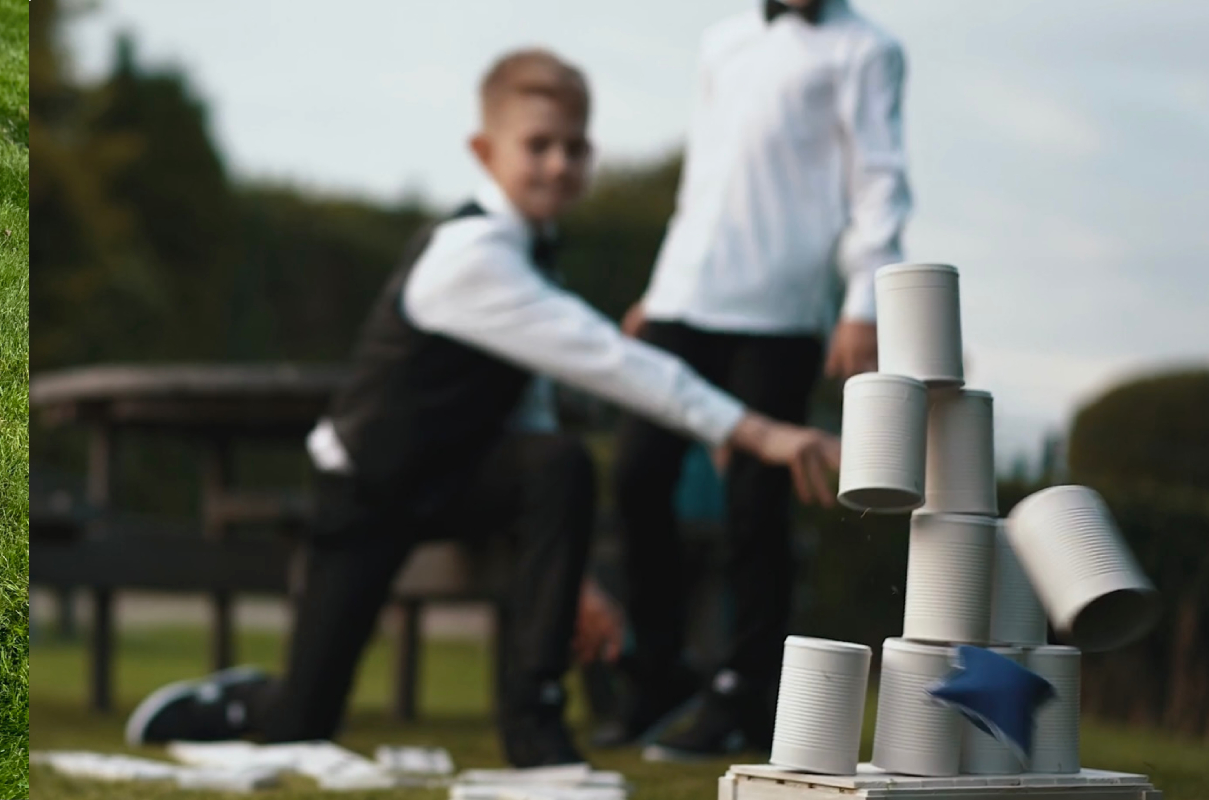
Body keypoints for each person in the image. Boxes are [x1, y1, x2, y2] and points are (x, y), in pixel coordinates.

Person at [125, 48, 844, 769]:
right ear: (484, 149)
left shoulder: (534, 253)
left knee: (559, 462)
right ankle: (243, 701)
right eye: (539, 145)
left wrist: (572, 582)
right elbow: (609, 356)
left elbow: (530, 418)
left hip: (459, 483)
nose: (560, 164)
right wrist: (756, 430)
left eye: (575, 147)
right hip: (367, 491)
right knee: (300, 726)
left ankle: (536, 728)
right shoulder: (471, 255)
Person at [608, 0, 910, 761]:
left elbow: (880, 181)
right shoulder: (722, 43)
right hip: (685, 297)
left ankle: (745, 695)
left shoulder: (867, 51)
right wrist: (659, 286)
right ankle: (660, 672)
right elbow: (704, 179)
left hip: (779, 310)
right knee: (638, 474)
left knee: (754, 502)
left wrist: (863, 302)